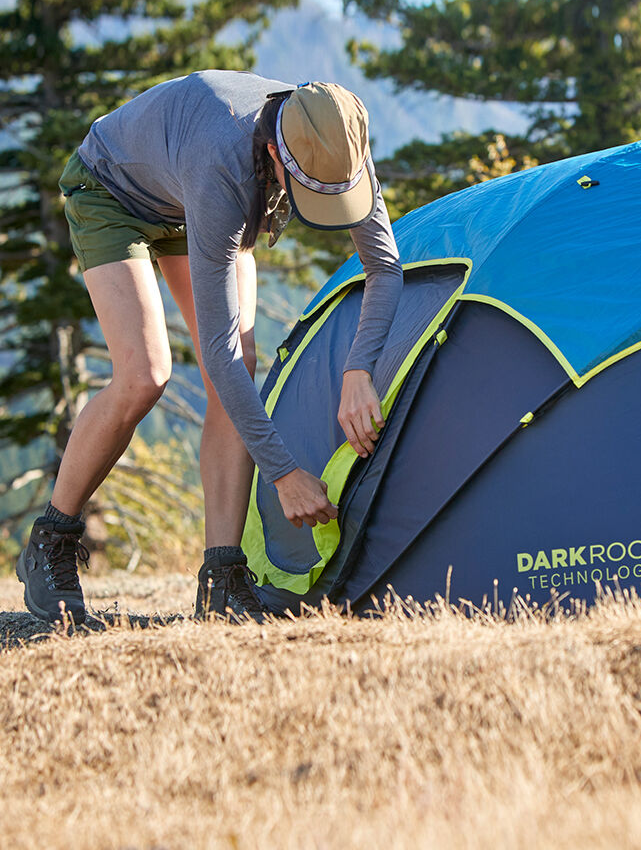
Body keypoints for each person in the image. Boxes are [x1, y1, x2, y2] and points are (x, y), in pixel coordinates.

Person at [15, 71, 403, 624]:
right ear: (276, 153)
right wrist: (283, 472)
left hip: (188, 184)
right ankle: (50, 540)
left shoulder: (337, 140)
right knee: (145, 373)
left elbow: (385, 267)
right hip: (113, 189)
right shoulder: (222, 163)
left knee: (244, 366)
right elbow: (214, 354)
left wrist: (358, 368)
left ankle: (221, 577)